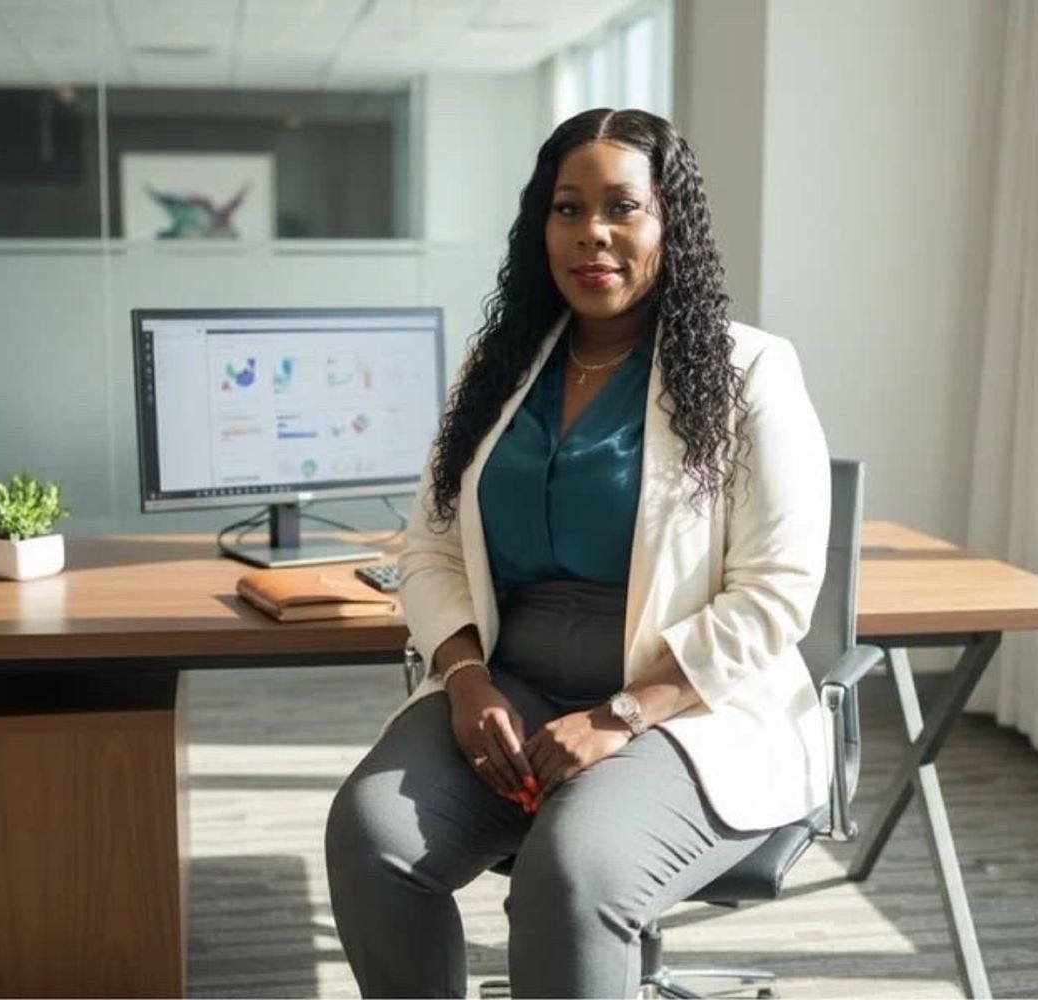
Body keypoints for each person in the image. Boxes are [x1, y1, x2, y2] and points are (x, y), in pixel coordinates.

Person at [324, 107, 833, 999]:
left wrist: (622, 715)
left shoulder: (749, 371)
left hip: (683, 705)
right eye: (568, 208)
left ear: (668, 224)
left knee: (573, 870)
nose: (592, 233)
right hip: (508, 693)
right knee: (372, 837)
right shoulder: (496, 366)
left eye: (621, 207)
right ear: (541, 225)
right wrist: (464, 677)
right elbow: (432, 547)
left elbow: (776, 593)